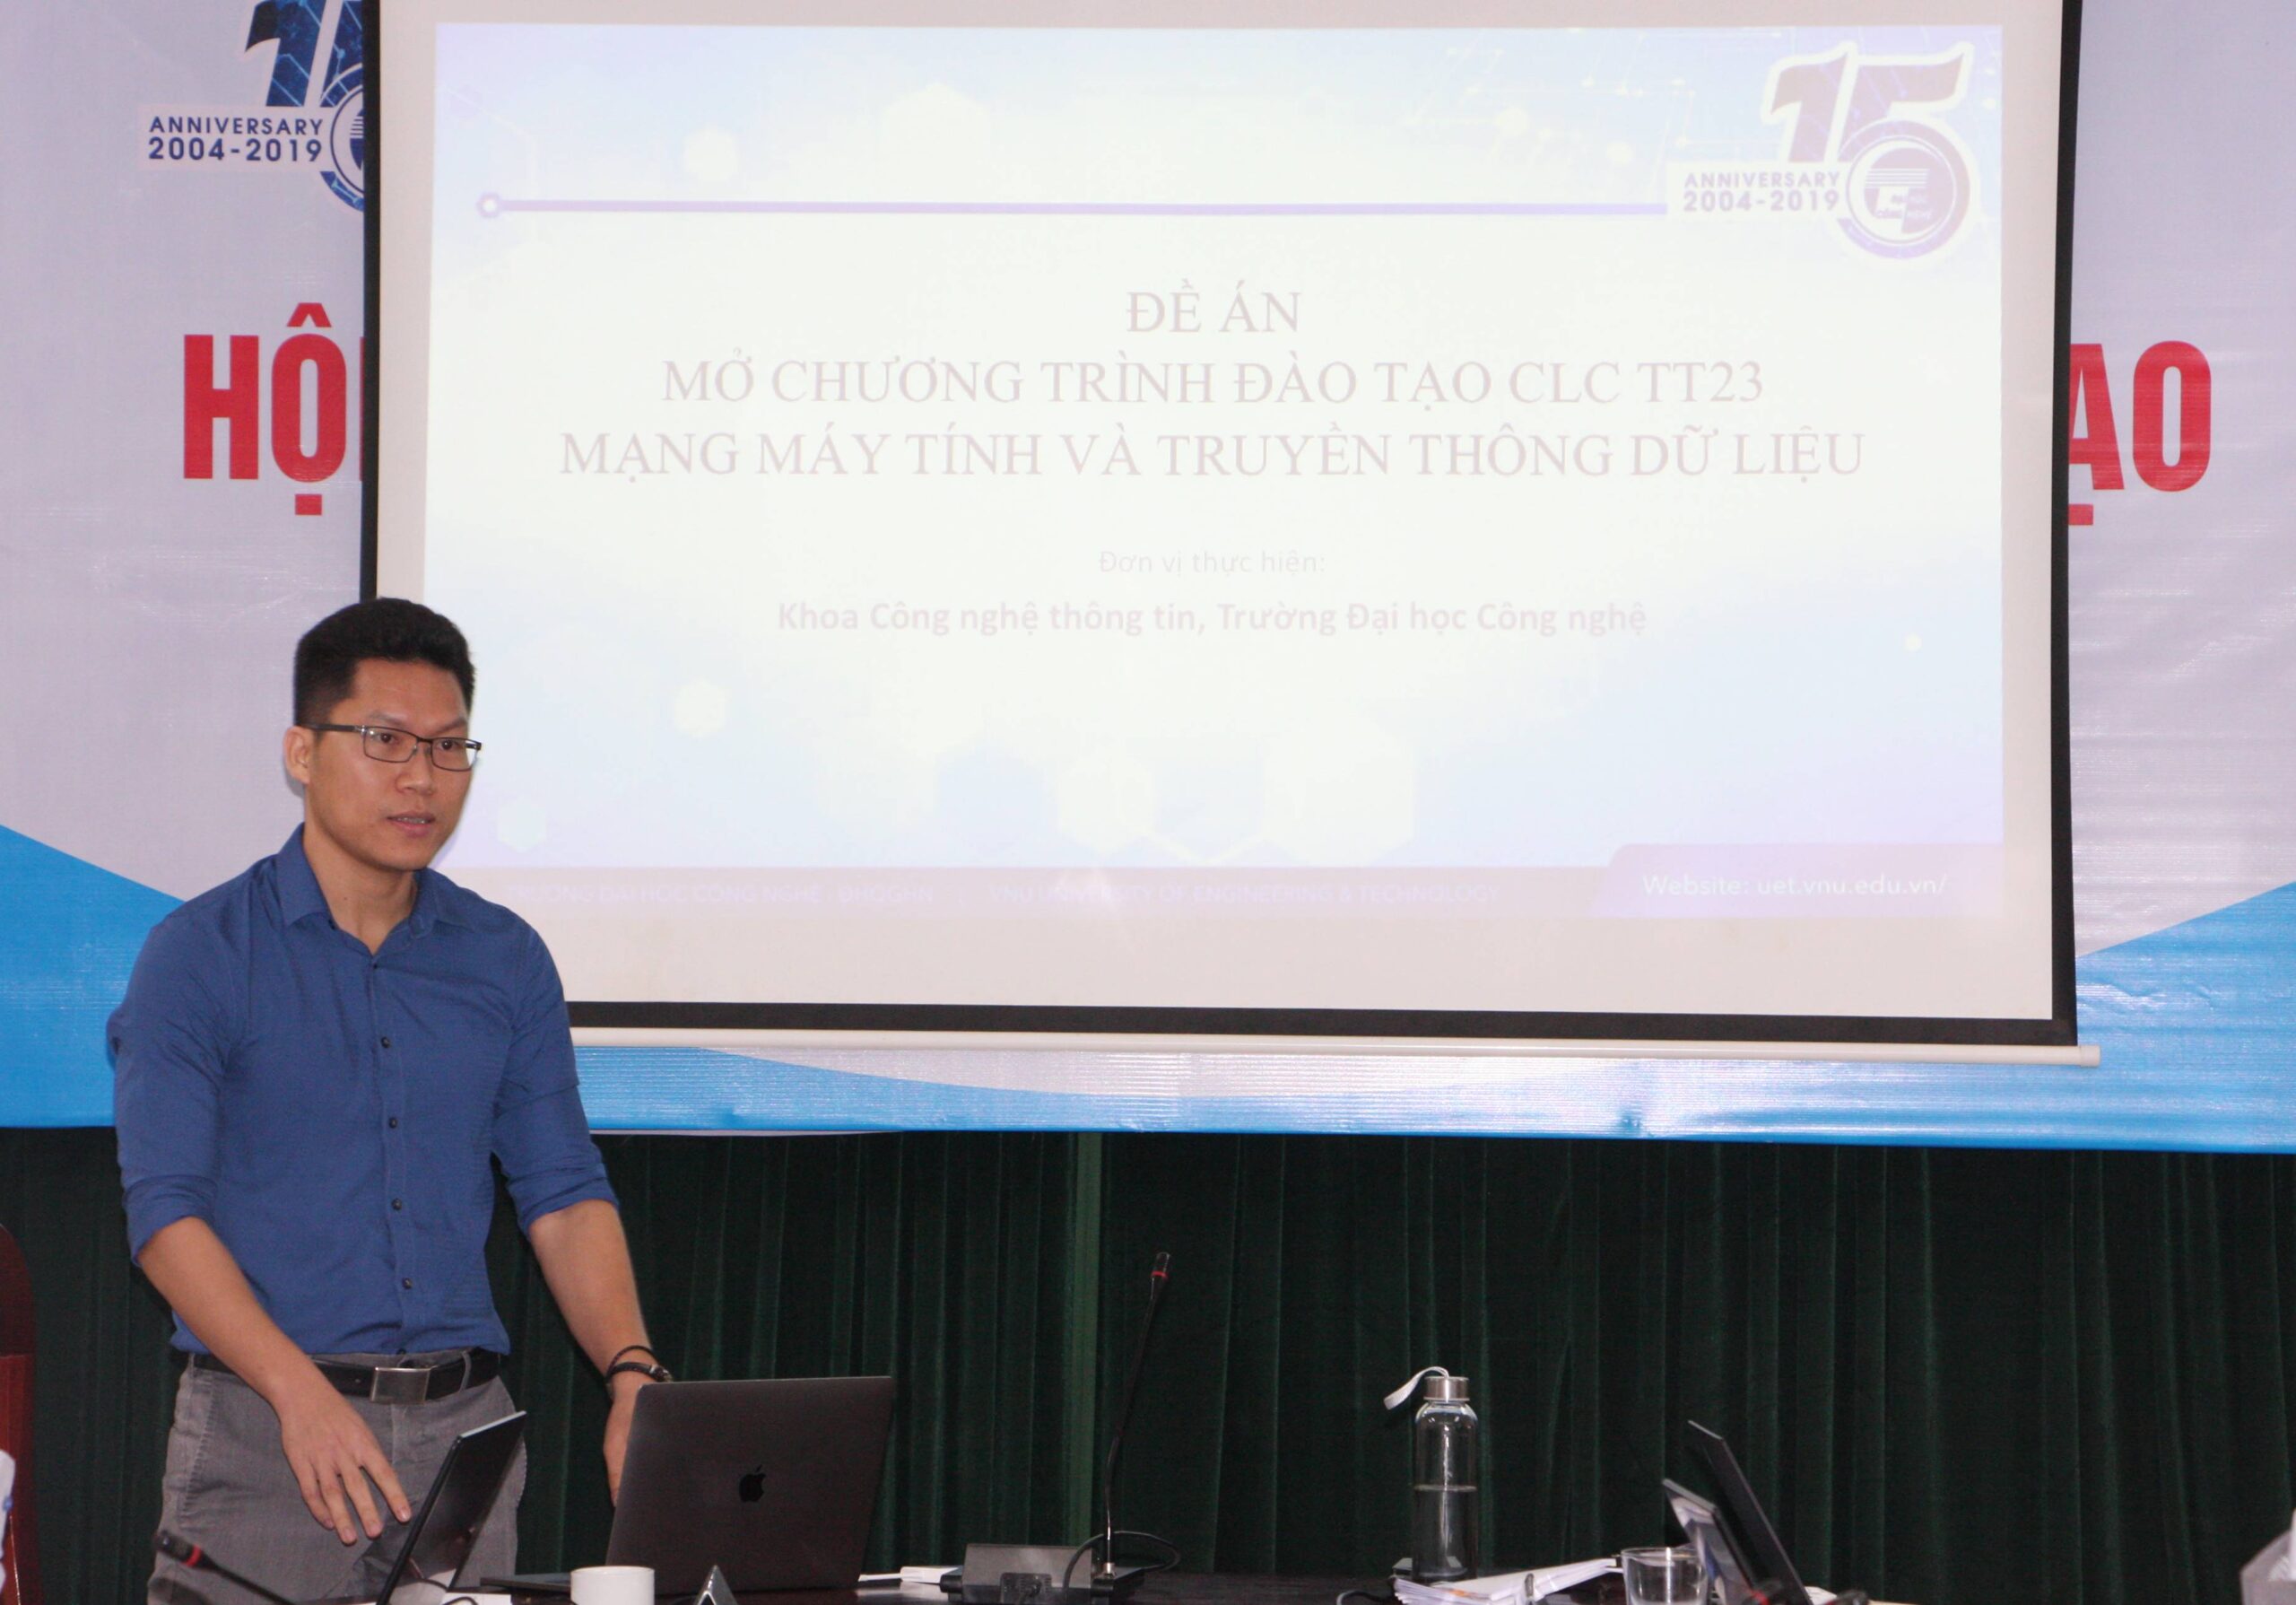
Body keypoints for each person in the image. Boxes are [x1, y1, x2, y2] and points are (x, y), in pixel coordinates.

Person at [110, 598, 666, 1605]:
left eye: (449, 746)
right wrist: (298, 1393)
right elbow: (164, 1215)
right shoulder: (200, 953)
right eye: (386, 741)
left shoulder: (503, 957)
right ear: (302, 752)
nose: (422, 777)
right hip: (267, 1429)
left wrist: (632, 1371)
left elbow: (562, 1188)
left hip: (463, 1441)